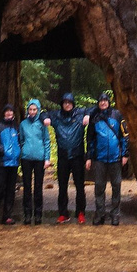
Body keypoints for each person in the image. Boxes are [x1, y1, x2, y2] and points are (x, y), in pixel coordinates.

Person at [44, 92, 91, 224]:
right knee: (62, 186)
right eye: (65, 102)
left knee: (79, 186)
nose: (67, 105)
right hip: (63, 156)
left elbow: (93, 109)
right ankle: (63, 213)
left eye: (69, 102)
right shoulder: (57, 115)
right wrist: (45, 118)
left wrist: (87, 115)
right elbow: (43, 114)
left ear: (73, 104)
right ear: (62, 104)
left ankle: (80, 212)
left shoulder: (80, 113)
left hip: (77, 156)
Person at [85, 91, 128, 225]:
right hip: (100, 158)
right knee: (99, 187)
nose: (103, 103)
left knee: (116, 186)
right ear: (98, 103)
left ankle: (115, 214)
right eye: (100, 101)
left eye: (105, 100)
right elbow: (90, 139)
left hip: (115, 158)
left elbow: (125, 135)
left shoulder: (117, 115)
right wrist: (89, 157)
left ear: (109, 102)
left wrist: (125, 154)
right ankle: (100, 214)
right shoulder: (94, 118)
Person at [0, 103, 21, 225]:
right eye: (7, 112)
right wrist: (3, 150)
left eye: (11, 112)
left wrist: (18, 152)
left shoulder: (16, 127)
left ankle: (7, 216)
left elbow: (20, 141)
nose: (9, 114)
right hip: (1, 162)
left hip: (13, 163)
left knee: (10, 190)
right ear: (4, 113)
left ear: (14, 114)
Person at [18, 98, 51, 224]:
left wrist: (47, 158)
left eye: (34, 109)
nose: (32, 112)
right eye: (30, 109)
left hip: (39, 158)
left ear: (38, 110)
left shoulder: (42, 124)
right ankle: (27, 214)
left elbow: (46, 141)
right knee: (26, 187)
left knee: (38, 187)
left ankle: (38, 214)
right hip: (26, 158)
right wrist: (24, 151)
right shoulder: (23, 124)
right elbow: (21, 140)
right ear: (28, 110)